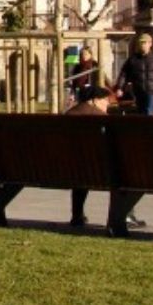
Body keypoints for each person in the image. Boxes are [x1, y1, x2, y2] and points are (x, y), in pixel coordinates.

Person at [64, 83, 112, 228]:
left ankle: (77, 215)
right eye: (105, 99)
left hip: (63, 169)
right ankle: (126, 217)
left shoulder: (68, 115)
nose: (108, 103)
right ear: (94, 100)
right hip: (97, 171)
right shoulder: (101, 118)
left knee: (80, 173)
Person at [116, 33, 153, 117]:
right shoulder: (133, 59)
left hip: (152, 90)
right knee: (140, 113)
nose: (143, 45)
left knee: (148, 112)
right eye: (141, 43)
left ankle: (148, 129)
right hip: (138, 90)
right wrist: (120, 88)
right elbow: (124, 74)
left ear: (150, 44)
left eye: (145, 43)